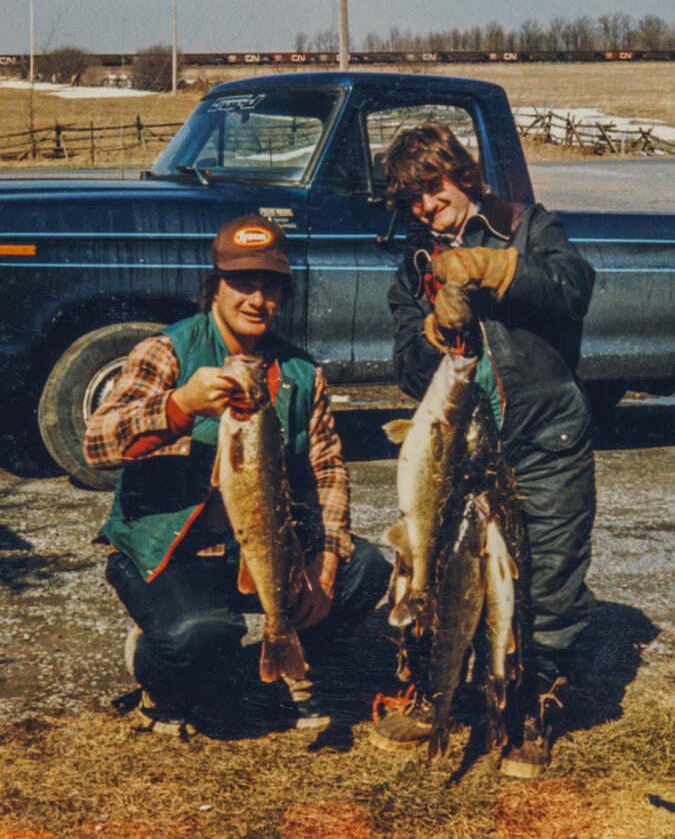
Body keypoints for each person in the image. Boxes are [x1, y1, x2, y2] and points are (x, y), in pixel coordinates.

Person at [85, 214, 391, 736]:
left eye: (270, 287)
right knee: (197, 635)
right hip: (171, 555)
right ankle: (158, 671)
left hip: (260, 553)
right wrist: (179, 405)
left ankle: (285, 667)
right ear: (214, 288)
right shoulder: (168, 350)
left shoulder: (300, 371)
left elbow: (328, 470)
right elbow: (97, 443)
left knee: (363, 567)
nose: (256, 300)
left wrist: (324, 564)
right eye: (242, 283)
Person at [368, 123, 597, 778]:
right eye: (409, 197)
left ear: (461, 176)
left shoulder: (527, 226)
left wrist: (500, 269)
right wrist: (433, 324)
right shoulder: (413, 265)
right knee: (439, 574)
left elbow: (573, 288)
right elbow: (411, 372)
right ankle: (431, 691)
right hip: (461, 454)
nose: (423, 205)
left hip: (543, 439)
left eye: (431, 187)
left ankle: (531, 711)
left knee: (548, 582)